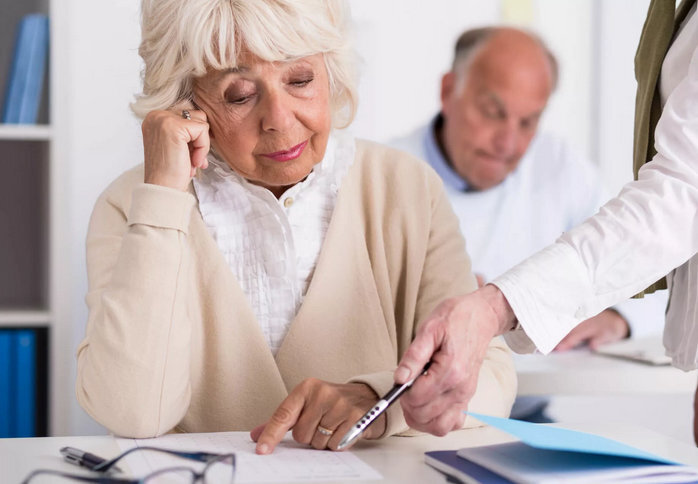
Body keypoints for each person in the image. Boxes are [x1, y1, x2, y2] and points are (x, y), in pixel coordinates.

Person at [75, 0, 516, 454]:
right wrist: (163, 198)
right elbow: (133, 412)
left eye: (300, 80)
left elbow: (490, 377)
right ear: (185, 103)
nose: (280, 120)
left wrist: (382, 403)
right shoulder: (133, 204)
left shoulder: (406, 187)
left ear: (331, 71)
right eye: (239, 95)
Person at [392, 0, 698, 441]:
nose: (507, 142)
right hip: (416, 425)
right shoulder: (387, 177)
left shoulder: (561, 169)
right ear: (448, 91)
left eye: (528, 122)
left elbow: (657, 254)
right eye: (493, 112)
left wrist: (616, 315)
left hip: (526, 417)